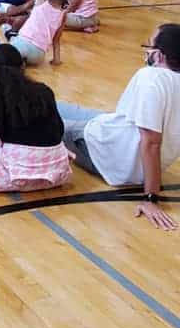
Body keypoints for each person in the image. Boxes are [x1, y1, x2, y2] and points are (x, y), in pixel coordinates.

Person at [57, 24, 180, 230]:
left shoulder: (151, 77)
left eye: (149, 46)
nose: (146, 51)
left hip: (107, 154)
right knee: (59, 106)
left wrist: (151, 198)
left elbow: (151, 142)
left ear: (159, 56)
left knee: (43, 117)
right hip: (119, 135)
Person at [0, 44, 72, 193]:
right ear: (23, 66)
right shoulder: (44, 90)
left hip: (14, 178)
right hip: (57, 175)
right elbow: (60, 129)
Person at [7, 0, 68, 65]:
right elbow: (56, 40)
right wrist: (56, 60)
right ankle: (21, 62)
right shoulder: (63, 14)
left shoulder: (41, 0)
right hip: (38, 55)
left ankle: (17, 62)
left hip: (23, 44)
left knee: (3, 49)